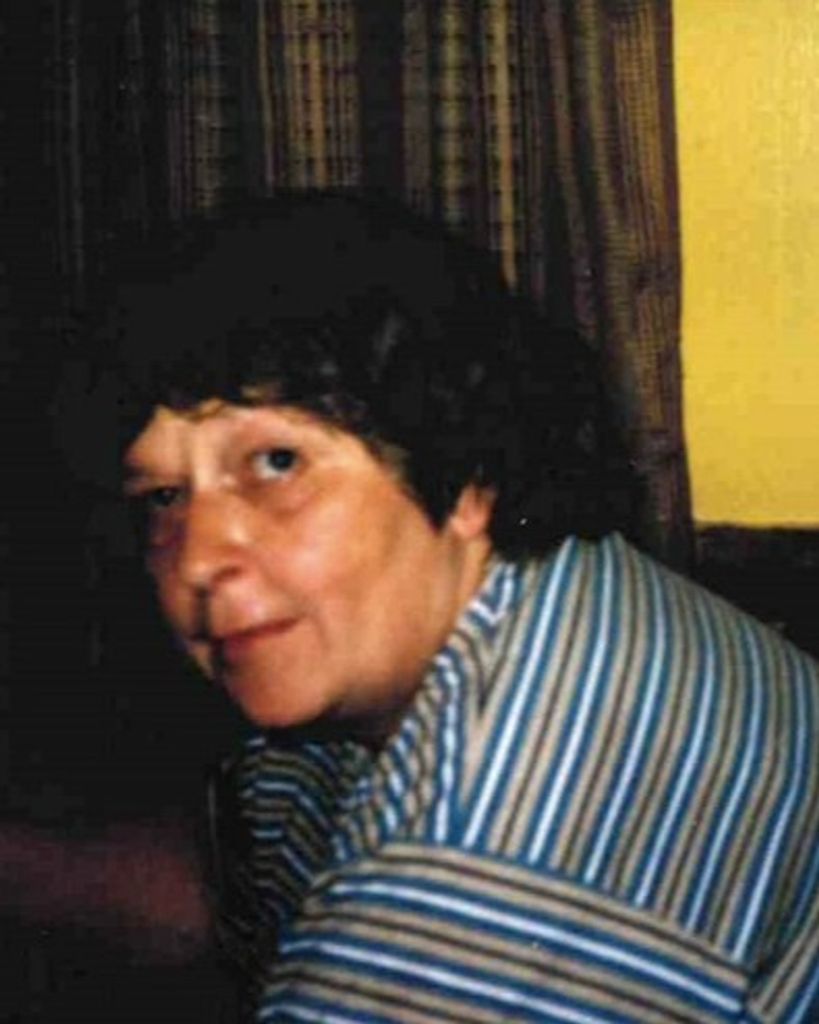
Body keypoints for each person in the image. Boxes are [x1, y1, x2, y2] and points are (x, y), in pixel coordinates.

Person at [78, 192, 818, 1021]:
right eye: (163, 496)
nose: (197, 558)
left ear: (467, 476)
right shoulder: (498, 605)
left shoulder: (488, 859)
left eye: (277, 463)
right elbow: (228, 894)